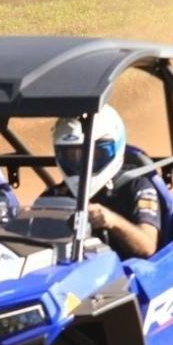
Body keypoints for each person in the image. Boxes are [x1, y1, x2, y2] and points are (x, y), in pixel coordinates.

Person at [47, 104, 160, 258]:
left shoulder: (137, 187)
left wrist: (112, 221)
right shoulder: (55, 196)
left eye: (94, 155)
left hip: (123, 276)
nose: (83, 164)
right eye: (72, 156)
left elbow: (147, 246)